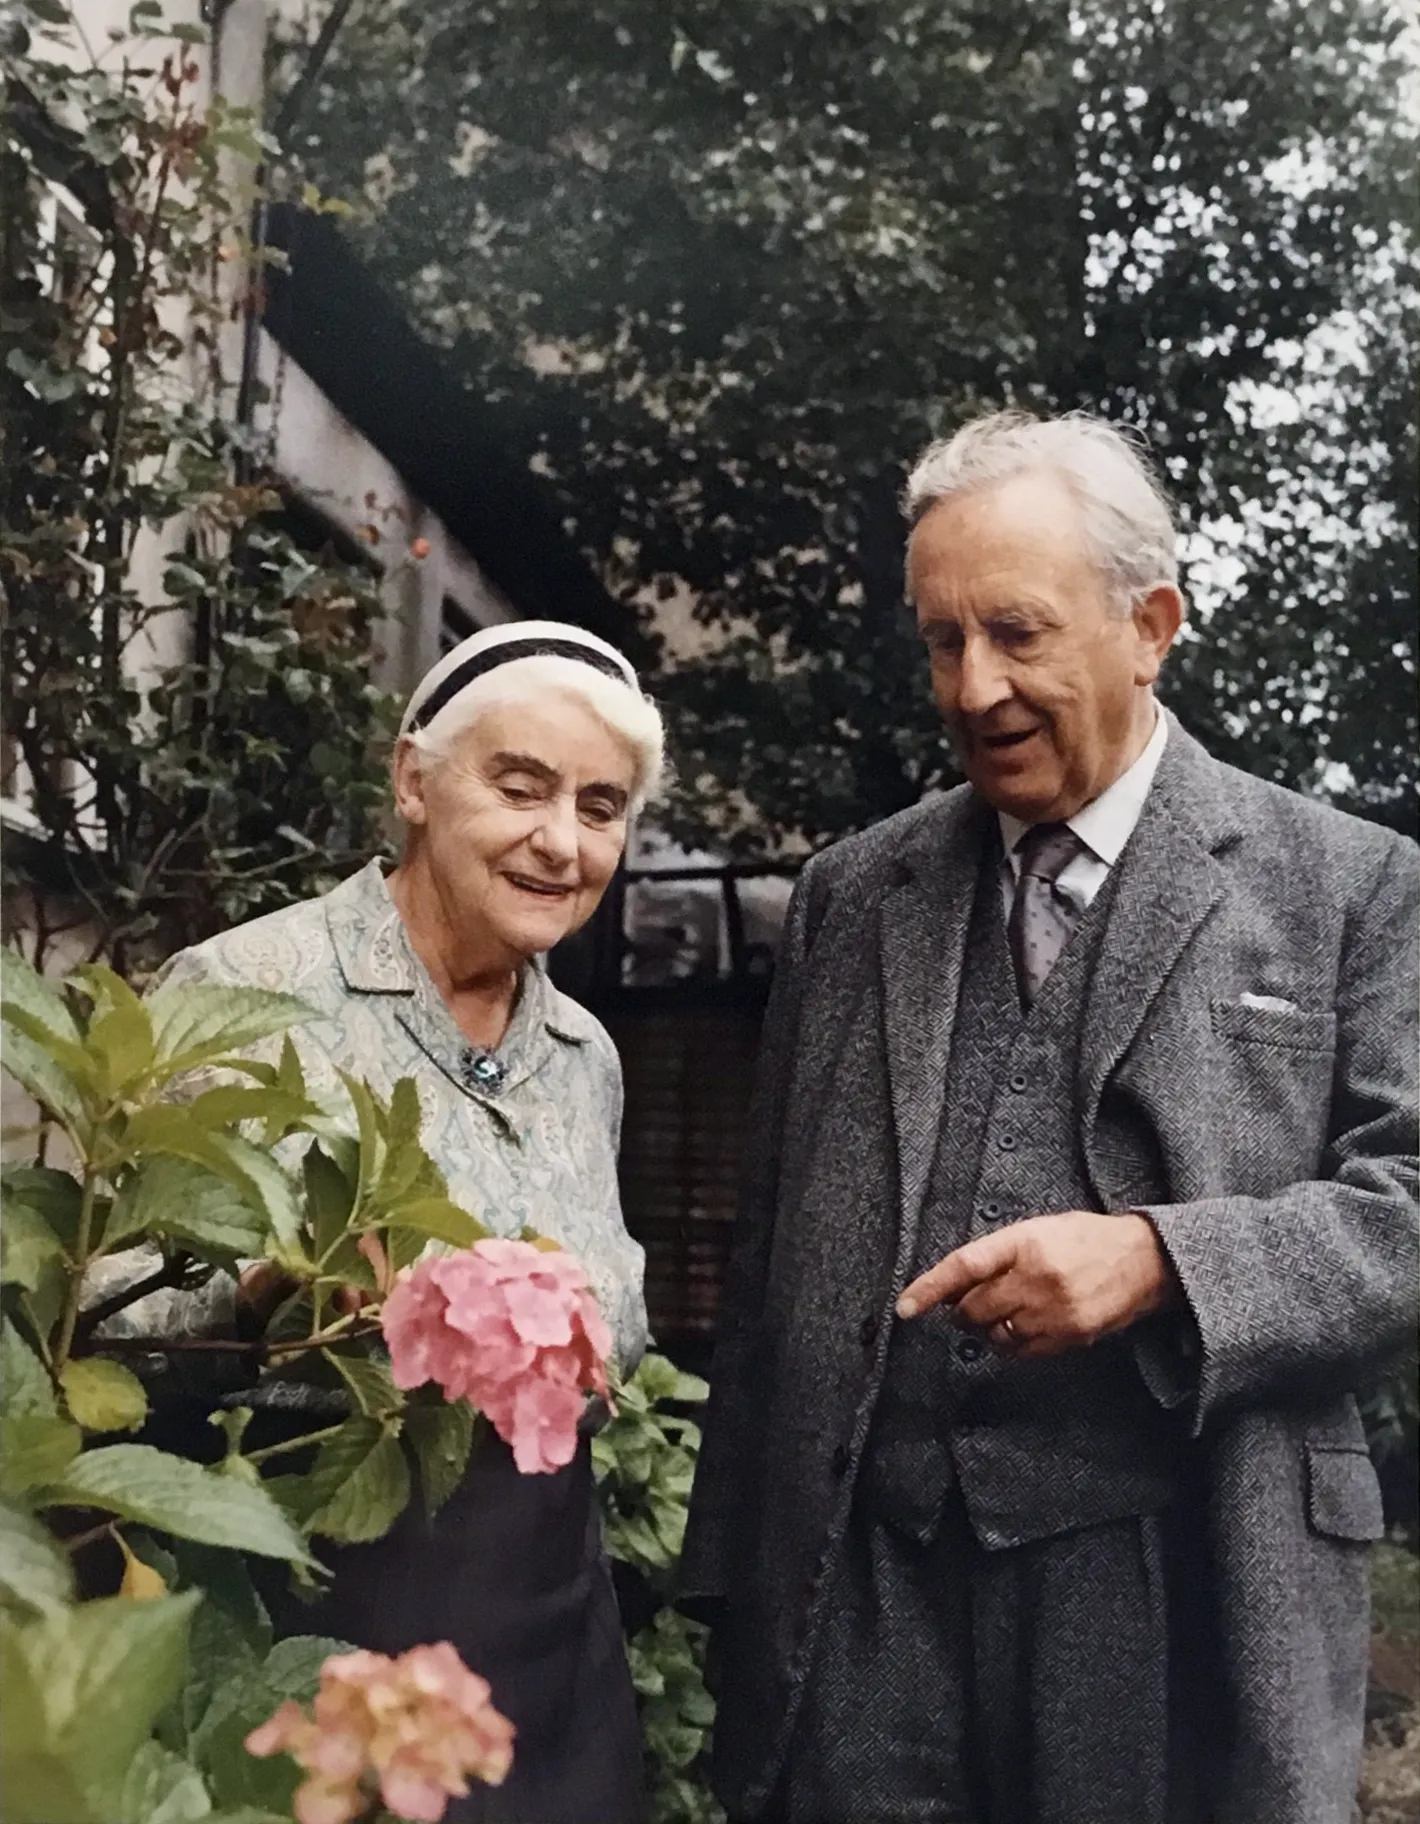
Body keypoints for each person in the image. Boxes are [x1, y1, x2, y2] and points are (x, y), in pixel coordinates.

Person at [679, 412, 1419, 1824]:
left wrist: (1163, 1261)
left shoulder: (1351, 887)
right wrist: (730, 1593)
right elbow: (768, 1261)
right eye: (941, 641)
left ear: (1150, 627)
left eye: (1016, 633)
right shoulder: (852, 893)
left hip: (1176, 1592)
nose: (974, 688)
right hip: (866, 1595)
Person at [156, 620, 663, 1824]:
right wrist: (273, 1288)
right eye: (520, 787)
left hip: (549, 1640)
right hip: (314, 1624)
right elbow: (106, 1319)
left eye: (599, 807)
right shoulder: (247, 991)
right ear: (414, 781)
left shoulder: (582, 1053)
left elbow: (614, 1342)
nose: (561, 840)